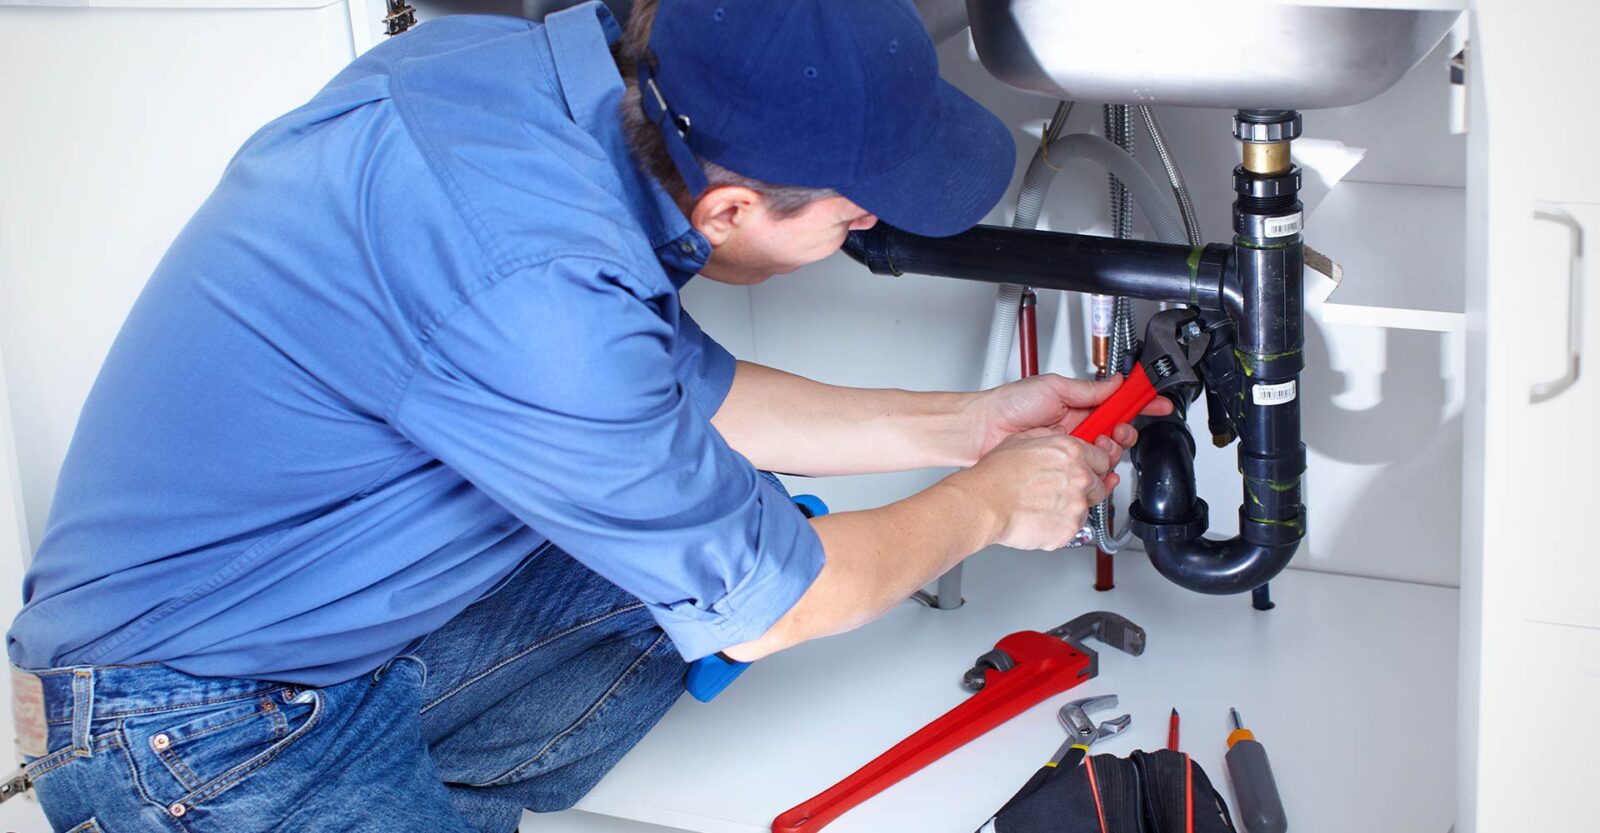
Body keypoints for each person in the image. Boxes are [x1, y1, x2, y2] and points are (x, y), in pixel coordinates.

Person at [6, 1, 1166, 830]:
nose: (856, 241)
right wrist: (986, 506)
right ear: (728, 205)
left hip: (297, 633)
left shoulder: (518, 82)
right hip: (194, 732)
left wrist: (965, 427)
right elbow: (786, 603)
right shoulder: (539, 292)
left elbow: (670, 398)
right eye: (848, 224)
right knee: (744, 574)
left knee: (692, 552)